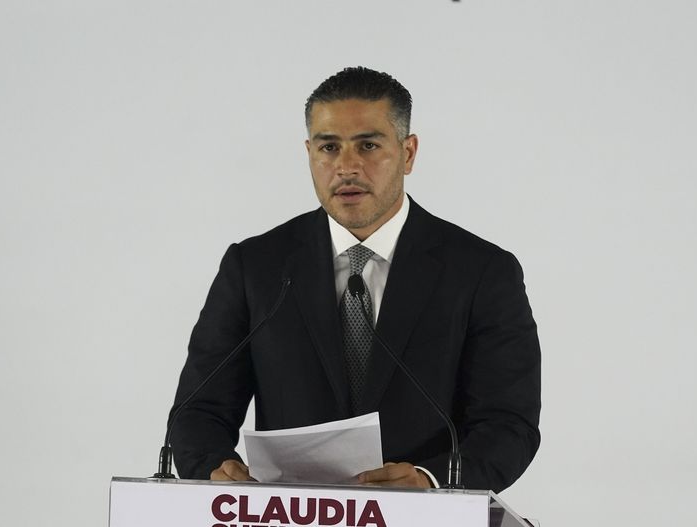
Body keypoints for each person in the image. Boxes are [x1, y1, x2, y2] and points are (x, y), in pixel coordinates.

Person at [169, 66, 541, 493]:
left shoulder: (481, 271)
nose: (346, 167)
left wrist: (431, 480)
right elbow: (197, 413)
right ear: (309, 152)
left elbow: (509, 424)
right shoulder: (256, 267)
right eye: (329, 147)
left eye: (368, 145)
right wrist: (216, 468)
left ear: (408, 153)